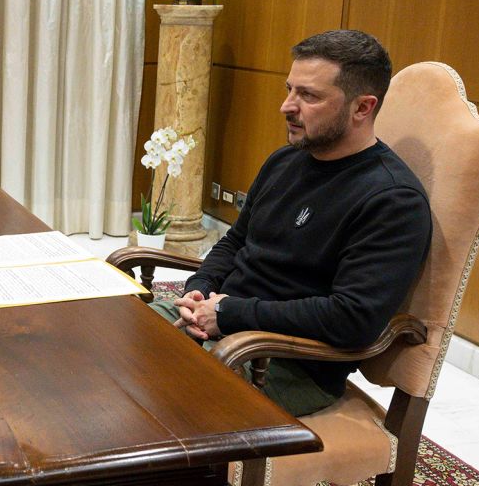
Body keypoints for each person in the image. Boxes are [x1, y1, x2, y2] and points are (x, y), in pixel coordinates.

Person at [152, 29, 432, 416]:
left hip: (286, 363)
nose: (287, 106)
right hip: (225, 328)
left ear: (362, 108)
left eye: (309, 95)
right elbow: (235, 242)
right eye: (290, 89)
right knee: (105, 340)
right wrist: (200, 291)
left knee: (143, 395)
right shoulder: (285, 160)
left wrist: (231, 313)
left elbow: (352, 318)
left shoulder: (393, 200)